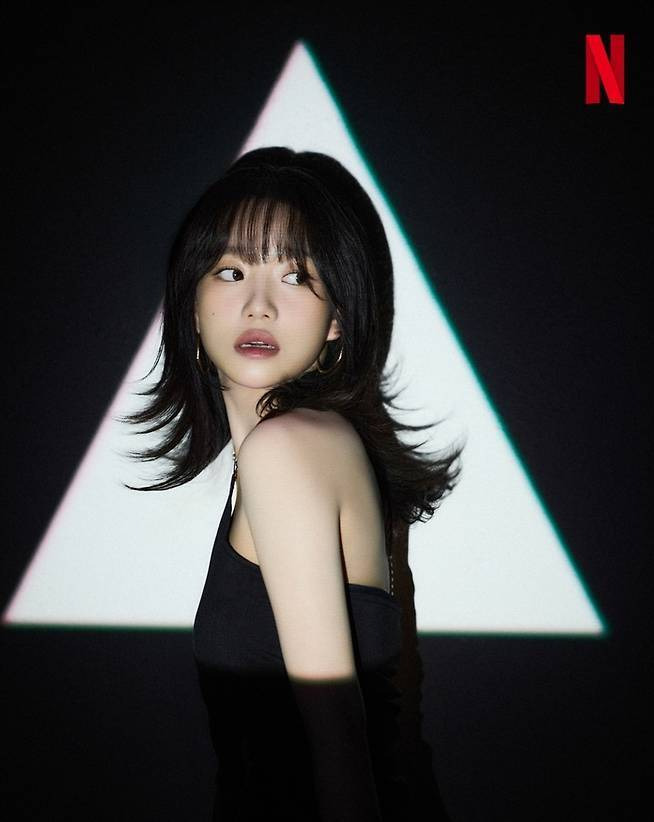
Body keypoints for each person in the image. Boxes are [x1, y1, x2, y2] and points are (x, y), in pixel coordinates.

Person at [119, 147, 464, 820]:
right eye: (231, 271)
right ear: (192, 306)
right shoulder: (313, 449)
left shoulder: (286, 450)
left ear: (338, 318)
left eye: (296, 276)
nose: (259, 306)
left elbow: (339, 746)